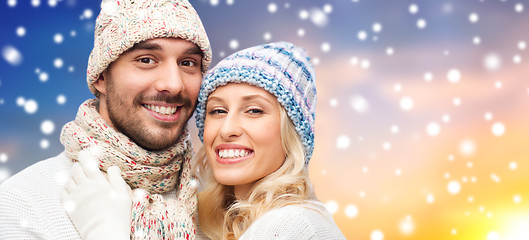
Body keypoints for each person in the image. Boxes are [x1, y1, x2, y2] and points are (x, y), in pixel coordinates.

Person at [62, 42, 346, 239]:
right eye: (217, 111)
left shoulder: (290, 225)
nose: (227, 129)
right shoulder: (228, 223)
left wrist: (106, 231)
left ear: (291, 132)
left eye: (254, 111)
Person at [0, 0, 211, 239]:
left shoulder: (219, 204)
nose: (173, 84)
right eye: (146, 60)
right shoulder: (24, 204)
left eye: (187, 63)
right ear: (100, 77)